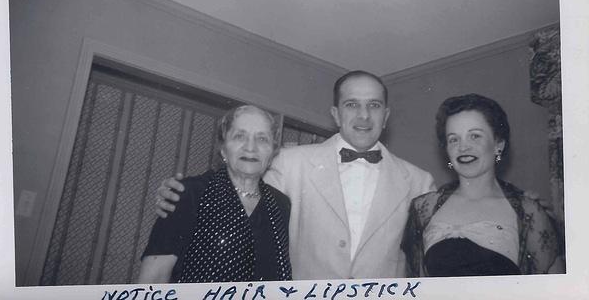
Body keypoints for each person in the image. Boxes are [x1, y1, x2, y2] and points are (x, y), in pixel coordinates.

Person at [156, 71, 435, 279]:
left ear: (385, 116)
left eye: (373, 106)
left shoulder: (421, 182)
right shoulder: (287, 163)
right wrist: (184, 195)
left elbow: (425, 269)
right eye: (352, 105)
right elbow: (237, 194)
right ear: (335, 114)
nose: (363, 116)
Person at [402, 93, 563, 276]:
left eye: (475, 136)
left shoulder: (529, 212)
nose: (463, 147)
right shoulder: (424, 208)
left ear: (498, 145)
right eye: (454, 139)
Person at [138, 105, 292, 283]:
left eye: (262, 139)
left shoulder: (280, 205)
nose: (251, 147)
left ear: (273, 152)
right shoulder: (189, 193)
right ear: (223, 148)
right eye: (239, 136)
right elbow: (153, 279)